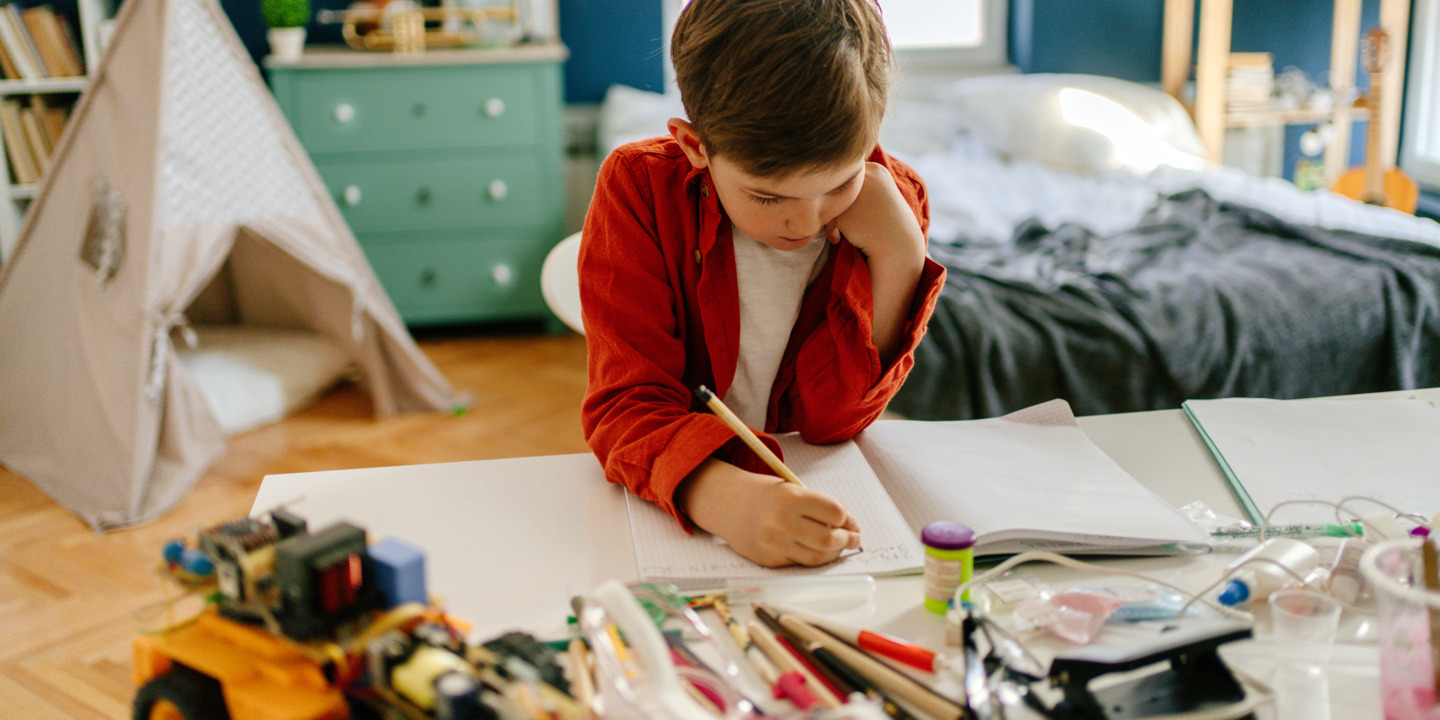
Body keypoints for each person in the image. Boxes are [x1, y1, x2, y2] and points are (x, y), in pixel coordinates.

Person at [579, 0, 945, 568]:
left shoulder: (893, 201)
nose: (806, 223)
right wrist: (722, 498)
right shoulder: (640, 188)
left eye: (841, 183)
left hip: (816, 502)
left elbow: (832, 422)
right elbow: (625, 408)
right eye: (768, 197)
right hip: (683, 520)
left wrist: (901, 257)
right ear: (695, 146)